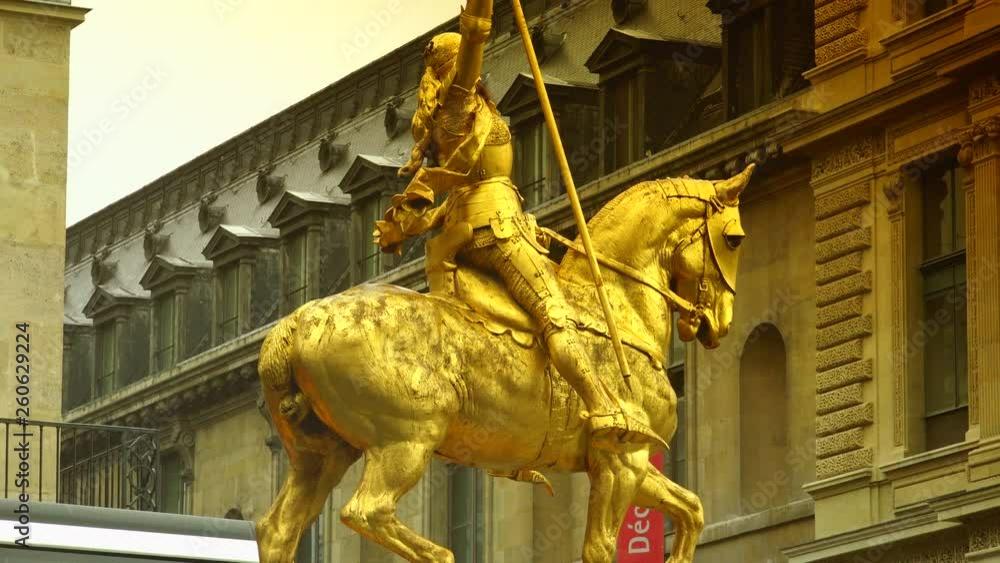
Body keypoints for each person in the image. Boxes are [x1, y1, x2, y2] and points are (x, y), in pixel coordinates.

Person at [372, 0, 660, 450]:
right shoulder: (457, 105)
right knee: (556, 314)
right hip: (495, 231)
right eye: (467, 65)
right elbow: (475, 35)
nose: (477, 70)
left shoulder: (456, 117)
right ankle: (603, 405)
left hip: (493, 223)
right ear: (453, 70)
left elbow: (460, 195)